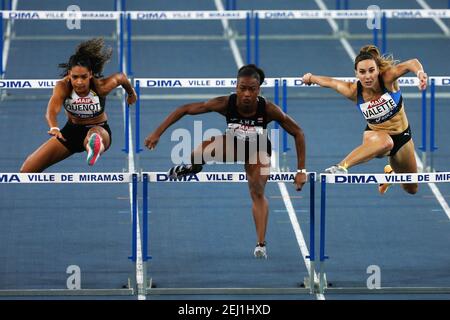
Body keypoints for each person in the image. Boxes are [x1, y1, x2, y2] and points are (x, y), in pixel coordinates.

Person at [145, 64, 306, 258]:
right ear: (236, 86)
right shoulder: (225, 103)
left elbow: (298, 132)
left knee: (257, 190)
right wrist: (157, 133)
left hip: (258, 151)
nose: (246, 94)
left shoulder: (269, 109)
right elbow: (185, 109)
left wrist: (301, 171)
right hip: (232, 144)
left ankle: (261, 244)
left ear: (259, 90)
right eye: (242, 88)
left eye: (252, 89)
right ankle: (192, 168)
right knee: (197, 153)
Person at [302, 45, 427, 195]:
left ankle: (389, 174)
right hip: (375, 136)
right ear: (356, 74)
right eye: (362, 72)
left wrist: (420, 73)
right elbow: (331, 82)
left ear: (378, 70)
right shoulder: (353, 91)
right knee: (386, 142)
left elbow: (411, 63)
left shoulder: (388, 79)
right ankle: (340, 167)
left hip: (403, 137)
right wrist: (310, 78)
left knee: (411, 188)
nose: (367, 76)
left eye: (371, 71)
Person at [20, 38, 136, 173]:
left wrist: (131, 93)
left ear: (90, 75)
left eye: (83, 77)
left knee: (94, 135)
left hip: (98, 129)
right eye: (75, 77)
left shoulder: (101, 87)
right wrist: (54, 127)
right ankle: (92, 146)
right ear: (69, 74)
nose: (79, 82)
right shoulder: (63, 86)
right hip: (71, 132)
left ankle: (94, 147)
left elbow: (121, 77)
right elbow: (52, 110)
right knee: (27, 171)